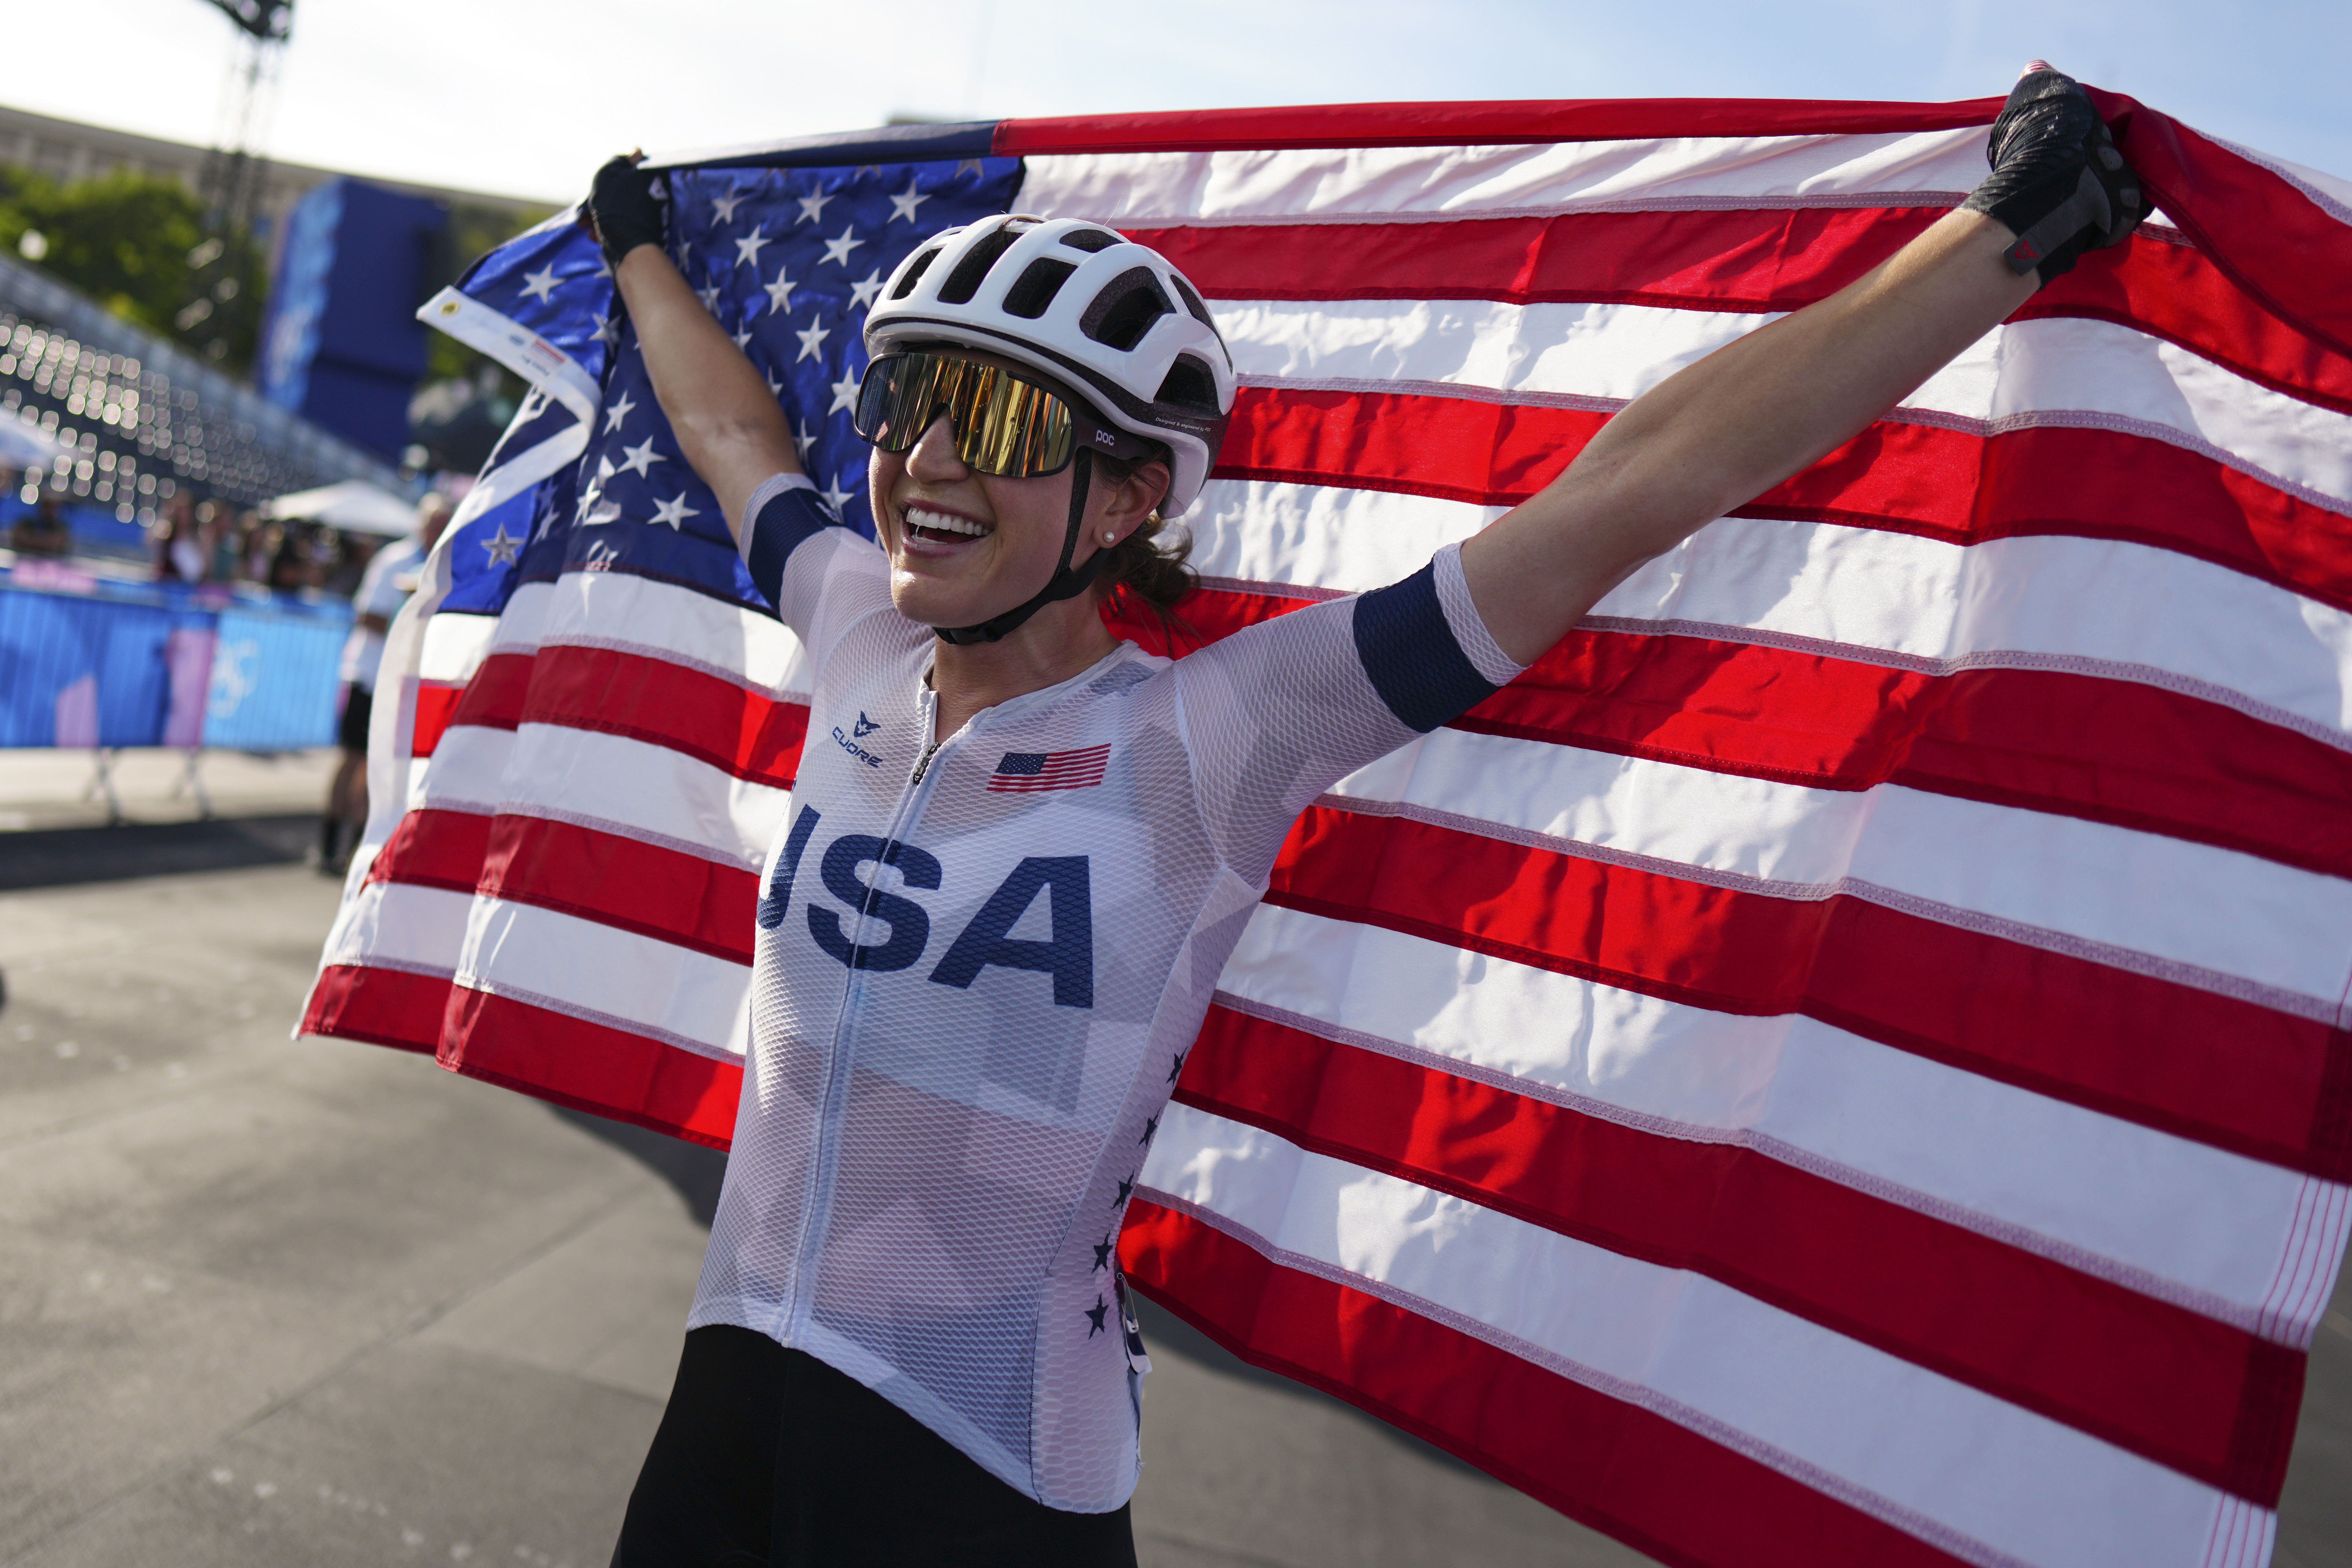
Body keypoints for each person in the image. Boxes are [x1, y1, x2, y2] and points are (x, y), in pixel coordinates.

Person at [589, 66, 2144, 1566]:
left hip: (979, 1468)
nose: (923, 461)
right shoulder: (856, 620)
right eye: (909, 400)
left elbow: (1629, 490)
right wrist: (637, 247)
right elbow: (735, 438)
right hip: (720, 1415)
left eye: (996, 422)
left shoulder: (1218, 728)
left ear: (1131, 500)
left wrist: (1998, 238)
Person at [319, 495, 452, 872]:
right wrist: (407, 623)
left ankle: (355, 850)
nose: (439, 530)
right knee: (351, 760)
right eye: (434, 523)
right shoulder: (394, 561)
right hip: (370, 675)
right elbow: (366, 615)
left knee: (376, 767)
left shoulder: (442, 565)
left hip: (402, 681)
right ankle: (329, 844)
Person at [8, 493, 73, 558]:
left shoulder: (61, 528)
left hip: (51, 564)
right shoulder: (27, 523)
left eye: (53, 506)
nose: (49, 509)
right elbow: (19, 538)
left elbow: (58, 543)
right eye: (47, 505)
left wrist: (32, 541)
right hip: (26, 562)